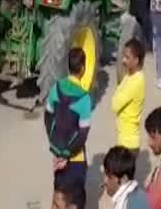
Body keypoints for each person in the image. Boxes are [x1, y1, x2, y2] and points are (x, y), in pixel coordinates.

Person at [45, 48, 92, 209]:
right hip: (75, 159)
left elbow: (48, 117)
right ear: (83, 69)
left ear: (68, 67)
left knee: (58, 199)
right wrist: (67, 154)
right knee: (75, 202)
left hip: (58, 157)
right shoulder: (84, 98)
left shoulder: (56, 88)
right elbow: (82, 134)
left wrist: (57, 148)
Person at [112, 38, 146, 155]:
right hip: (125, 141)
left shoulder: (135, 81)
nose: (123, 60)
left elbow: (114, 105)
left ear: (136, 60)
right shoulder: (130, 76)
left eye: (127, 57)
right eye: (123, 56)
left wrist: (118, 91)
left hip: (128, 144)